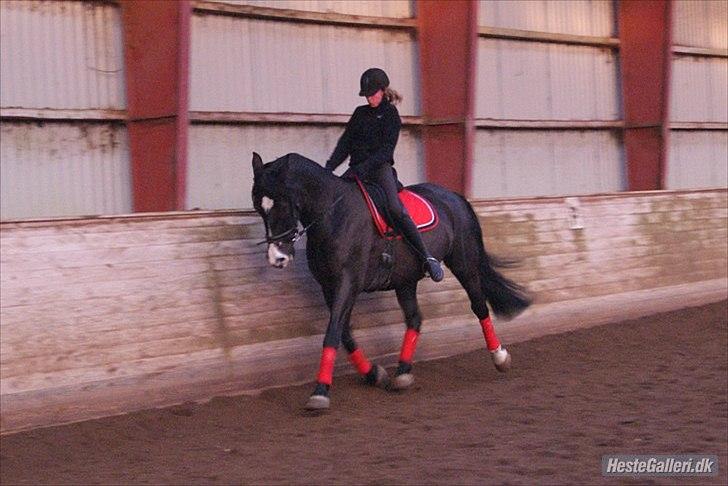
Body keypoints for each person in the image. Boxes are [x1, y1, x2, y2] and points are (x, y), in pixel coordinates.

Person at [326, 68, 444, 282]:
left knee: (395, 208)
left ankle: (427, 257)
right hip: (357, 170)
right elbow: (345, 143)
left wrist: (363, 168)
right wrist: (328, 168)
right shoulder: (359, 114)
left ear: (382, 91)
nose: (370, 98)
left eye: (373, 94)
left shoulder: (390, 115)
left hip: (380, 170)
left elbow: (386, 151)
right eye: (367, 95)